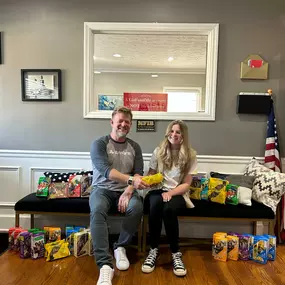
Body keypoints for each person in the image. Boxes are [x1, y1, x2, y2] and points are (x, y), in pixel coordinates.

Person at [89, 106, 149, 285]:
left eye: (127, 122)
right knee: (98, 210)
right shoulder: (99, 144)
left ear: (130, 125)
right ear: (112, 122)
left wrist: (129, 189)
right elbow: (107, 171)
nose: (123, 124)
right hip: (102, 189)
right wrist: (131, 181)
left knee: (137, 207)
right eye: (120, 121)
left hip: (126, 190)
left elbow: (138, 173)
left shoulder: (135, 147)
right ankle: (105, 265)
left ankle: (120, 247)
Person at [141, 120, 197, 277]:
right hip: (157, 190)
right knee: (155, 205)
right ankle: (153, 250)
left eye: (178, 132)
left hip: (177, 192)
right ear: (167, 133)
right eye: (171, 131)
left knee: (169, 209)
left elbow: (186, 184)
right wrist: (147, 181)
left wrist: (171, 194)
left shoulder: (191, 155)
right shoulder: (158, 151)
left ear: (183, 135)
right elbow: (151, 173)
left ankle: (175, 252)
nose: (174, 134)